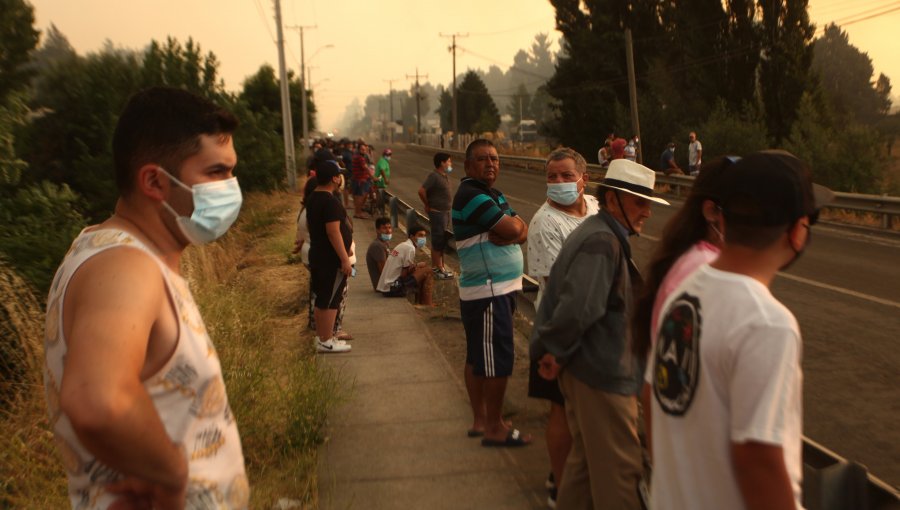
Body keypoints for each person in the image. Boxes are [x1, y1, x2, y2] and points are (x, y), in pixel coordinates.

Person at [42, 87, 248, 508]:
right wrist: (172, 474)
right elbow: (97, 400)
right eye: (215, 173)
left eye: (232, 172)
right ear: (154, 181)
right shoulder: (125, 267)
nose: (231, 188)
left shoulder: (119, 255)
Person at [646, 150, 834, 510]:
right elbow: (758, 461)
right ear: (797, 231)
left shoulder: (684, 289)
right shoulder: (766, 323)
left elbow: (651, 395)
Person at [531, 158, 669, 509]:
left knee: (584, 469)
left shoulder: (599, 232)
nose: (647, 212)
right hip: (603, 374)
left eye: (649, 203)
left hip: (589, 369)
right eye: (640, 203)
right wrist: (554, 351)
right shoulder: (602, 241)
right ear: (612, 200)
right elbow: (579, 309)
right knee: (621, 472)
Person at [526, 147, 600, 508]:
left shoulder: (597, 209)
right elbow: (557, 285)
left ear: (584, 180)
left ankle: (582, 478)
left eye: (566, 176)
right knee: (561, 410)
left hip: (596, 323)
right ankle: (559, 481)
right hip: (558, 326)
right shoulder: (545, 223)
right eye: (552, 177)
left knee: (585, 410)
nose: (557, 183)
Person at [452, 139, 531, 447]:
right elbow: (514, 230)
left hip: (494, 289)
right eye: (483, 159)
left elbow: (520, 227)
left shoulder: (492, 194)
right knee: (495, 357)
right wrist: (514, 230)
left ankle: (482, 420)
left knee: (478, 354)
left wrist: (516, 229)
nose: (491, 164)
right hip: (489, 290)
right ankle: (494, 427)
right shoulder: (472, 195)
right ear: (468, 166)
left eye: (495, 159)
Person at [306, 158, 354, 353]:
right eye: (339, 175)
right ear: (334, 179)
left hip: (318, 254)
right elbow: (333, 232)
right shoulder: (330, 201)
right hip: (330, 259)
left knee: (323, 297)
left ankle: (324, 337)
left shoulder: (313, 198)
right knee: (329, 299)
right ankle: (326, 340)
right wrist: (344, 258)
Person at [375, 223, 434, 305]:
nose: (423, 238)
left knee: (422, 269)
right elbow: (404, 275)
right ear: (412, 237)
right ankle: (428, 303)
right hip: (393, 288)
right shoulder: (410, 248)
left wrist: (416, 267)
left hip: (386, 288)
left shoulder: (403, 245)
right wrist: (416, 267)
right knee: (429, 271)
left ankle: (422, 302)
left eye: (424, 236)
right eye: (420, 235)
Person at [418, 152, 455, 280]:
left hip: (445, 213)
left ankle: (441, 267)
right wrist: (428, 205)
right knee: (437, 241)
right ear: (442, 163)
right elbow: (421, 191)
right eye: (448, 161)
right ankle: (436, 268)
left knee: (442, 241)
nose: (450, 164)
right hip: (437, 213)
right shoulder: (434, 176)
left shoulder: (444, 176)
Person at [366, 217, 393, 291]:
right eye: (384, 228)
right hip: (383, 286)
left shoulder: (384, 243)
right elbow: (384, 272)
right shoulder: (378, 246)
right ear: (377, 230)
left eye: (389, 228)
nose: (388, 231)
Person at [351, 143, 373, 219]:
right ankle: (358, 213)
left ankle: (357, 213)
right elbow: (366, 168)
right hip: (360, 180)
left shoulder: (356, 156)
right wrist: (373, 177)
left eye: (365, 149)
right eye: (362, 149)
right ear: (359, 150)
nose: (364, 151)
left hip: (357, 179)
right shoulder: (360, 158)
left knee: (357, 198)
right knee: (360, 198)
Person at [374, 148, 392, 216]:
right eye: (387, 154)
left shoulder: (384, 161)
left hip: (381, 182)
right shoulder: (383, 161)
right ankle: (378, 210)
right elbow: (382, 170)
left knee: (380, 196)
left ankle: (378, 210)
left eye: (390, 154)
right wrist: (385, 179)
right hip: (380, 182)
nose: (389, 156)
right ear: (384, 154)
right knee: (380, 197)